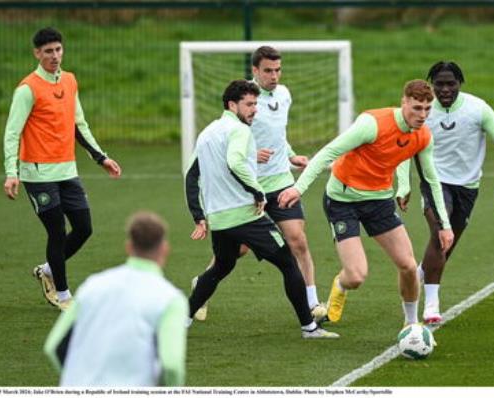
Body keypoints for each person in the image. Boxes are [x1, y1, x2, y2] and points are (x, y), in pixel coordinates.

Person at [278, 80, 454, 327]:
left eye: (427, 108)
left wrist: (444, 225)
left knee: (409, 265)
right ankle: (340, 285)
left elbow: (432, 180)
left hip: (380, 200)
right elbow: (328, 152)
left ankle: (411, 325)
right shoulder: (372, 124)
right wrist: (298, 188)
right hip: (342, 201)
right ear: (403, 103)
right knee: (356, 276)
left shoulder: (423, 136)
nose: (422, 115)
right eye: (416, 108)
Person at [185, 79, 337, 338]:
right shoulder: (240, 131)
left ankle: (183, 320)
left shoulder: (208, 132)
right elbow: (236, 162)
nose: (255, 109)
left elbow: (191, 174)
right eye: (249, 104)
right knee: (288, 263)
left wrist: (199, 216)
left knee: (221, 266)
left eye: (256, 103)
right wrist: (258, 192)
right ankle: (309, 327)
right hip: (245, 215)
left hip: (220, 219)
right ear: (232, 105)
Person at [2, 27, 121, 310]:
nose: (55, 56)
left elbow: (78, 124)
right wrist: (11, 172)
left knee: (83, 228)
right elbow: (11, 132)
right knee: (56, 232)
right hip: (38, 174)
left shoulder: (69, 80)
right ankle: (64, 294)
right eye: (48, 52)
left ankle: (47, 269)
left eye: (58, 50)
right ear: (37, 54)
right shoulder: (27, 89)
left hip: (67, 171)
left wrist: (100, 157)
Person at [395, 61, 494, 325]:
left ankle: (419, 275)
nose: (446, 89)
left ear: (460, 84)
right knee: (440, 233)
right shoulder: (423, 112)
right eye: (439, 84)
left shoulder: (477, 109)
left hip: (467, 187)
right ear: (431, 85)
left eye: (451, 83)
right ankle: (431, 305)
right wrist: (403, 184)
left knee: (446, 243)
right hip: (434, 182)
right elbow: (404, 146)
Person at [44, 211, 188, 386]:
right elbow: (171, 365)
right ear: (165, 249)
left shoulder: (92, 285)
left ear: (129, 247)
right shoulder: (171, 299)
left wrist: (79, 376)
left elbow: (54, 346)